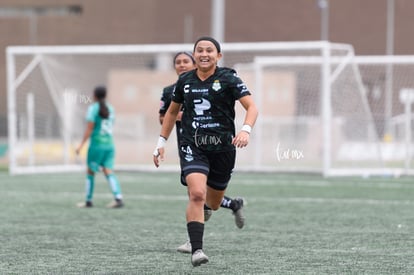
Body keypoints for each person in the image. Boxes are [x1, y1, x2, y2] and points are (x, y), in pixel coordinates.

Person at [153, 37, 258, 267]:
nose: (204, 53)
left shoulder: (229, 78)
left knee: (214, 201)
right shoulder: (184, 82)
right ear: (195, 55)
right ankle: (197, 250)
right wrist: (161, 142)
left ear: (218, 56)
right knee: (197, 194)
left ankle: (216, 208)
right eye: (199, 50)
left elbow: (252, 106)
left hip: (223, 148)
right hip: (193, 145)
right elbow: (170, 113)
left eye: (209, 50)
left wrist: (245, 130)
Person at [75, 86, 124, 208]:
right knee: (108, 171)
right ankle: (118, 198)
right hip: (109, 145)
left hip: (97, 145)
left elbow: (90, 128)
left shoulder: (94, 108)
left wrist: (81, 145)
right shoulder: (111, 108)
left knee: (90, 171)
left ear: (95, 95)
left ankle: (88, 200)